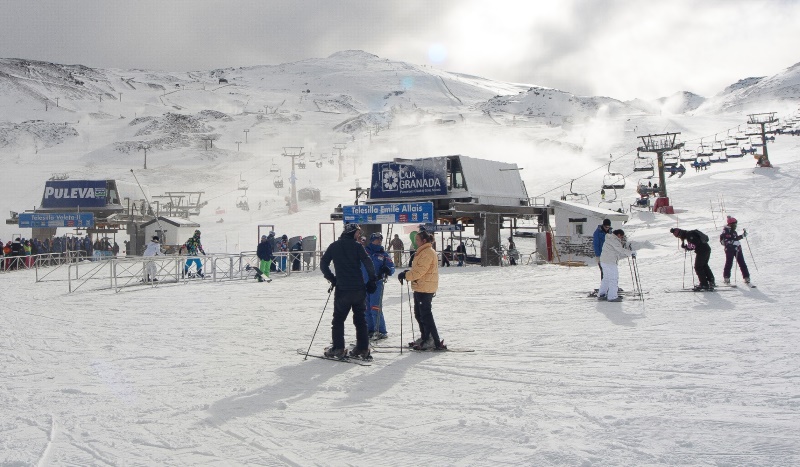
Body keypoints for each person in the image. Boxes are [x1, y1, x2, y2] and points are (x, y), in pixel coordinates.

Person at [320, 223, 378, 360]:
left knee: (338, 320)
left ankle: (338, 348)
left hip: (343, 289)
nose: (360, 236)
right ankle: (363, 348)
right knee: (360, 319)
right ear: (352, 233)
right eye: (358, 233)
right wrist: (372, 280)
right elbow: (368, 263)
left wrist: (332, 279)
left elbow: (323, 264)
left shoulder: (334, 246)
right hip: (358, 289)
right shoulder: (358, 247)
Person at [398, 229, 445, 350]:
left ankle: (433, 339)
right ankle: (425, 336)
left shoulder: (427, 252)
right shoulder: (422, 252)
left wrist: (407, 276)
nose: (416, 242)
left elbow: (420, 271)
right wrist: (407, 273)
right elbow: (418, 270)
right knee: (419, 314)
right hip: (421, 286)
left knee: (425, 315)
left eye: (417, 240)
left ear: (424, 241)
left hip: (425, 288)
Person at [364, 232, 395, 339]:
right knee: (366, 308)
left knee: (375, 307)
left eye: (380, 239)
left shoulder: (383, 254)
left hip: (377, 283)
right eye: (377, 239)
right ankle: (370, 329)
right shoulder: (365, 252)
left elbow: (391, 267)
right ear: (372, 240)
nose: (379, 241)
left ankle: (381, 330)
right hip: (365, 283)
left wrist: (388, 270)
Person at [598, 229, 635, 302]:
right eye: (621, 237)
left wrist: (627, 253)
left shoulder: (609, 238)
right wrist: (630, 253)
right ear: (618, 235)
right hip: (610, 262)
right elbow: (620, 249)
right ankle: (612, 296)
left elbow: (616, 252)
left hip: (604, 261)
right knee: (613, 278)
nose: (621, 238)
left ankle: (602, 294)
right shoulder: (614, 240)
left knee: (606, 278)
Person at [719, 216, 750, 285]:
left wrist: (742, 236)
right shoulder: (725, 232)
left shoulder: (733, 232)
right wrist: (733, 242)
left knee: (742, 262)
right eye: (734, 225)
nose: (735, 226)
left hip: (737, 249)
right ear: (730, 224)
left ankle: (746, 277)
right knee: (729, 263)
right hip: (730, 250)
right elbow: (725, 242)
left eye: (735, 224)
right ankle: (726, 277)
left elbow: (735, 238)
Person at [593, 219, 612, 288]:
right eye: (606, 227)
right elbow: (596, 244)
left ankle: (610, 286)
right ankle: (604, 287)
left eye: (608, 227)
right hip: (601, 255)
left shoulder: (610, 232)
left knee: (610, 271)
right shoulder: (597, 232)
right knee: (603, 271)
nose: (607, 228)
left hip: (609, 255)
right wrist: (598, 255)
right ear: (603, 226)